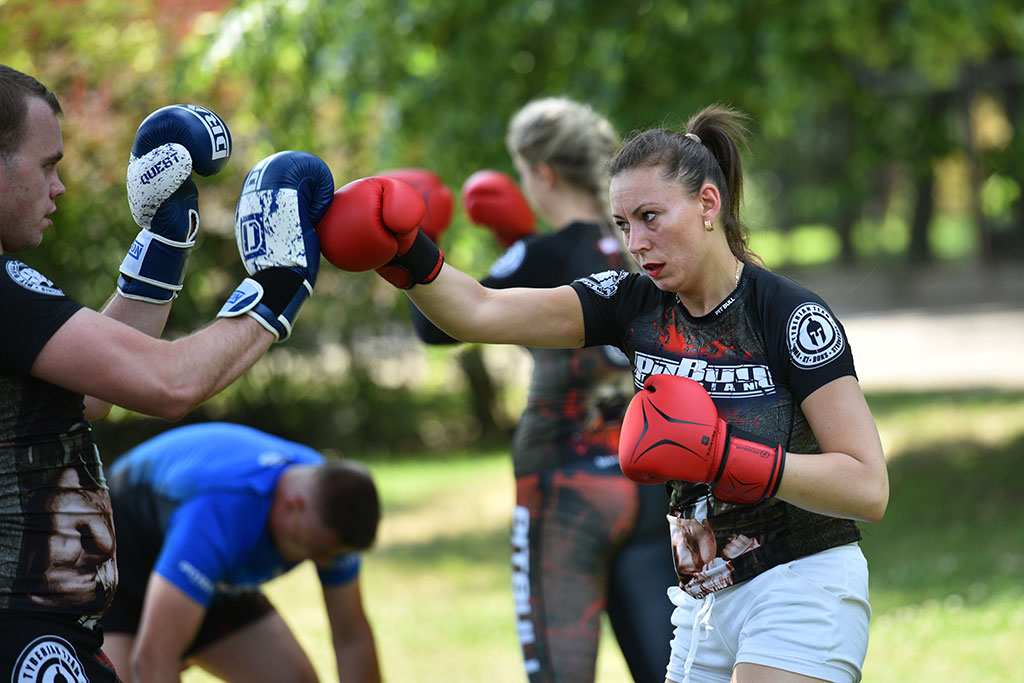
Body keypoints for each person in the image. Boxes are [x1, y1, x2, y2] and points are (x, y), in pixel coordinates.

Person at [321, 103, 889, 683]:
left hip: (800, 584)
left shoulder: (789, 316)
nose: (636, 242)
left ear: (707, 204)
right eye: (623, 224)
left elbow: (868, 487)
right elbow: (478, 310)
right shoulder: (631, 304)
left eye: (650, 217)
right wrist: (406, 251)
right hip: (704, 602)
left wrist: (725, 457)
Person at [0, 64, 332, 680]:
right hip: (18, 634)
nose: (60, 187)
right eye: (47, 166)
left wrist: (165, 239)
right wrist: (280, 284)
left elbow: (90, 393)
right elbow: (169, 384)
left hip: (44, 628)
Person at [397, 97, 677, 683]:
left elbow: (439, 326)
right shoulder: (646, 247)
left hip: (565, 488)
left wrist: (416, 238)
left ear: (543, 172)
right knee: (672, 673)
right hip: (650, 479)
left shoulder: (542, 253)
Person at [99, 422, 382, 683]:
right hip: (121, 561)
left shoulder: (333, 509)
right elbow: (154, 658)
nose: (324, 561)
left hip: (210, 566)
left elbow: (351, 637)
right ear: (292, 506)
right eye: (316, 549)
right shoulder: (221, 513)